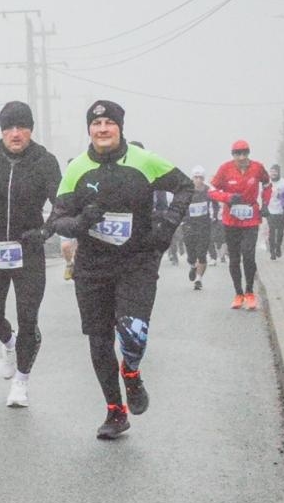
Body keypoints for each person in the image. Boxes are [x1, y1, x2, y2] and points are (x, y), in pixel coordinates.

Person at [32, 100, 194, 439]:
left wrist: (166, 226)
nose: (102, 129)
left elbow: (184, 186)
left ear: (120, 127)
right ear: (89, 130)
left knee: (133, 335)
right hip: (92, 267)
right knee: (99, 340)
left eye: (109, 122)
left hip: (136, 262)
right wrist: (80, 222)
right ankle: (115, 411)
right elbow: (58, 218)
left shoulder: (143, 161)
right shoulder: (77, 168)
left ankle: (132, 373)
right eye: (96, 124)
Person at [0, 101, 63, 408]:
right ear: (1, 131)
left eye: (22, 126)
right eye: (9, 127)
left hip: (28, 250)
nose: (16, 133)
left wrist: (46, 231)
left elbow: (59, 203)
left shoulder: (45, 160)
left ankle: (21, 381)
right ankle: (6, 342)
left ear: (31, 130)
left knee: (28, 318)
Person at [207, 139, 271, 311]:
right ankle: (238, 293)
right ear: (233, 155)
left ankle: (250, 292)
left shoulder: (257, 167)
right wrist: (227, 198)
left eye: (245, 153)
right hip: (231, 219)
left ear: (248, 153)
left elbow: (267, 184)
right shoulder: (225, 169)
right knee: (234, 258)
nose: (242, 157)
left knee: (249, 255)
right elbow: (212, 190)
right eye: (238, 154)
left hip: (251, 218)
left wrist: (265, 203)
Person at [181, 166, 214, 290]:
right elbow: (180, 205)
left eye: (200, 177)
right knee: (191, 254)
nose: (198, 180)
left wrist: (214, 217)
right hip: (189, 225)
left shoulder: (208, 191)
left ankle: (198, 279)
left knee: (202, 253)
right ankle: (193, 265)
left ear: (203, 179)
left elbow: (215, 205)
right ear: (192, 178)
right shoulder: (187, 191)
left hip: (204, 225)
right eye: (196, 177)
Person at [265, 162, 284, 260]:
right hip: (270, 210)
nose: (273, 174)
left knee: (280, 232)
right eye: (271, 172)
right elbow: (263, 195)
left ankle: (278, 247)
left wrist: (283, 196)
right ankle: (272, 252)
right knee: (271, 231)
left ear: (279, 172)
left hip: (281, 210)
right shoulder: (267, 182)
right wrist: (263, 207)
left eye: (275, 172)